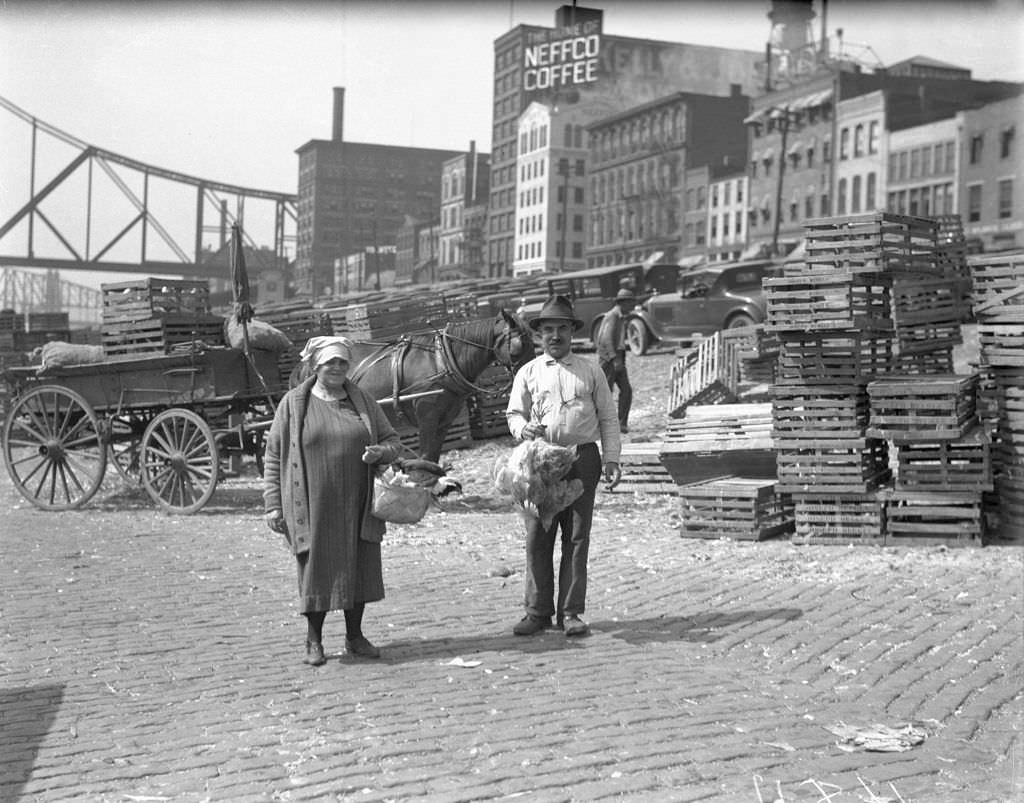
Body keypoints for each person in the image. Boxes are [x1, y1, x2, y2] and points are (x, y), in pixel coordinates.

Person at [263, 335, 404, 667]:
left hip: (358, 501)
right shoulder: (294, 404)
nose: (338, 368)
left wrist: (381, 452)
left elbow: (393, 440)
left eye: (342, 362)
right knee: (316, 569)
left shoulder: (362, 401)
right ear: (315, 366)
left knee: (360, 566)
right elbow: (273, 455)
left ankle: (355, 636)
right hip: (314, 504)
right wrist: (272, 504)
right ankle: (314, 640)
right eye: (330, 363)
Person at [505, 294, 622, 637]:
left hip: (582, 459)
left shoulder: (590, 371)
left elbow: (609, 418)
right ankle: (537, 611)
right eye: (548, 330)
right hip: (540, 461)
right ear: (538, 335)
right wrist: (522, 428)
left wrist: (612, 458)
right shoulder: (528, 372)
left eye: (562, 329)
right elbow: (514, 413)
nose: (555, 336)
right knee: (538, 536)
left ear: (573, 332)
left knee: (577, 536)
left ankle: (570, 612)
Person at [595, 287, 635, 433]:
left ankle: (621, 423)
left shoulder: (620, 316)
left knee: (626, 391)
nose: (633, 305)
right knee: (605, 393)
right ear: (624, 302)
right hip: (609, 359)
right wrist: (615, 359)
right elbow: (606, 339)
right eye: (631, 302)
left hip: (617, 357)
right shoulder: (613, 316)